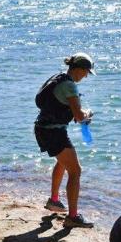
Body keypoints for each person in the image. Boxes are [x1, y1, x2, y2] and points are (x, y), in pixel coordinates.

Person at [34, 52, 95, 228]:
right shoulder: (69, 86)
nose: (86, 76)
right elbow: (79, 116)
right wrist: (88, 114)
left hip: (44, 128)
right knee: (75, 171)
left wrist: (79, 115)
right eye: (86, 73)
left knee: (63, 163)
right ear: (80, 69)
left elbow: (66, 110)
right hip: (53, 132)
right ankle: (73, 217)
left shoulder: (58, 78)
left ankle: (54, 200)